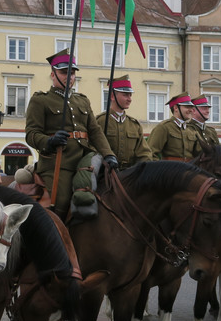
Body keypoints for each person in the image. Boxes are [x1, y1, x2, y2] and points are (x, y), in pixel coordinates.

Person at [25, 49, 116, 217]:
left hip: (85, 157)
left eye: (72, 73)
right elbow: (31, 134)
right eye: (63, 72)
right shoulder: (41, 100)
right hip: (59, 162)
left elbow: (94, 131)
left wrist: (108, 154)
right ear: (53, 74)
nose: (69, 77)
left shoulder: (82, 100)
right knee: (60, 202)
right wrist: (49, 141)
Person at [96, 75, 152, 169]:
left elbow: (144, 153)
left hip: (130, 175)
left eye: (130, 95)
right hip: (105, 173)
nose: (129, 99)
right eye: (125, 95)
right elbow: (92, 149)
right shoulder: (100, 121)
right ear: (113, 96)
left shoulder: (134, 125)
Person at [148, 93, 199, 161]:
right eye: (187, 107)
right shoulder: (164, 127)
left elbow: (201, 153)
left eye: (191, 107)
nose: (191, 110)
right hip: (169, 170)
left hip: (189, 170)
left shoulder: (192, 130)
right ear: (176, 108)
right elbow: (150, 153)